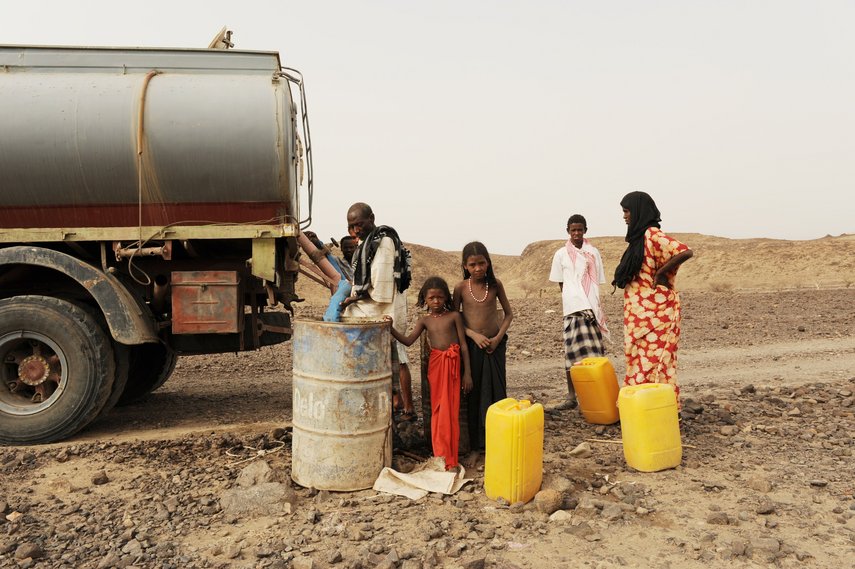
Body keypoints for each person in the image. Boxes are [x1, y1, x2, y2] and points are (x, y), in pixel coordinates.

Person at [612, 191, 693, 407]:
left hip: (656, 314)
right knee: (639, 359)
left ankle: (660, 408)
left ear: (638, 211)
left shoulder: (652, 234)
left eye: (627, 211)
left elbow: (685, 252)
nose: (624, 216)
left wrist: (660, 274)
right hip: (638, 314)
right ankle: (641, 407)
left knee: (657, 360)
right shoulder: (638, 239)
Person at [387, 277, 472, 470]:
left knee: (451, 409)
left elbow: (464, 346)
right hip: (435, 366)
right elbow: (408, 341)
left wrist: (468, 374)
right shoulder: (424, 320)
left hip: (453, 365)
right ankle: (440, 453)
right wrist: (390, 328)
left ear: (446, 298)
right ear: (424, 298)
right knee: (438, 409)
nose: (436, 302)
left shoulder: (454, 317)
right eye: (431, 298)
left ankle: (451, 455)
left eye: (440, 298)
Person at [341, 202, 416, 420]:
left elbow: (380, 288)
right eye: (351, 226)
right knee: (384, 357)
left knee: (398, 356)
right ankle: (395, 402)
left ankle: (408, 408)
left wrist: (351, 301)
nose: (356, 230)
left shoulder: (382, 242)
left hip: (386, 306)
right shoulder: (367, 243)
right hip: (378, 304)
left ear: (372, 218)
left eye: (359, 224)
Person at [452, 241, 513, 450]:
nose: (477, 268)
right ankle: (479, 444)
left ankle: (500, 436)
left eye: (481, 263)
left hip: (495, 346)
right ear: (465, 266)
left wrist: (497, 339)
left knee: (497, 390)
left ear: (488, 263)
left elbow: (509, 314)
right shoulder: (460, 288)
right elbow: (455, 317)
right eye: (472, 265)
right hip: (473, 347)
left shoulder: (496, 285)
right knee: (477, 394)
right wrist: (473, 335)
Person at [549, 214, 609, 408]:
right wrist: (573, 299)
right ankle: (571, 396)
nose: (576, 233)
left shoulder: (593, 252)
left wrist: (590, 304)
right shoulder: (560, 254)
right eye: (573, 230)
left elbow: (596, 281)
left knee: (594, 353)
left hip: (591, 308)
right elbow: (561, 282)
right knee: (572, 354)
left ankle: (597, 394)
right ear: (568, 231)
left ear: (585, 230)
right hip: (573, 309)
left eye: (580, 230)